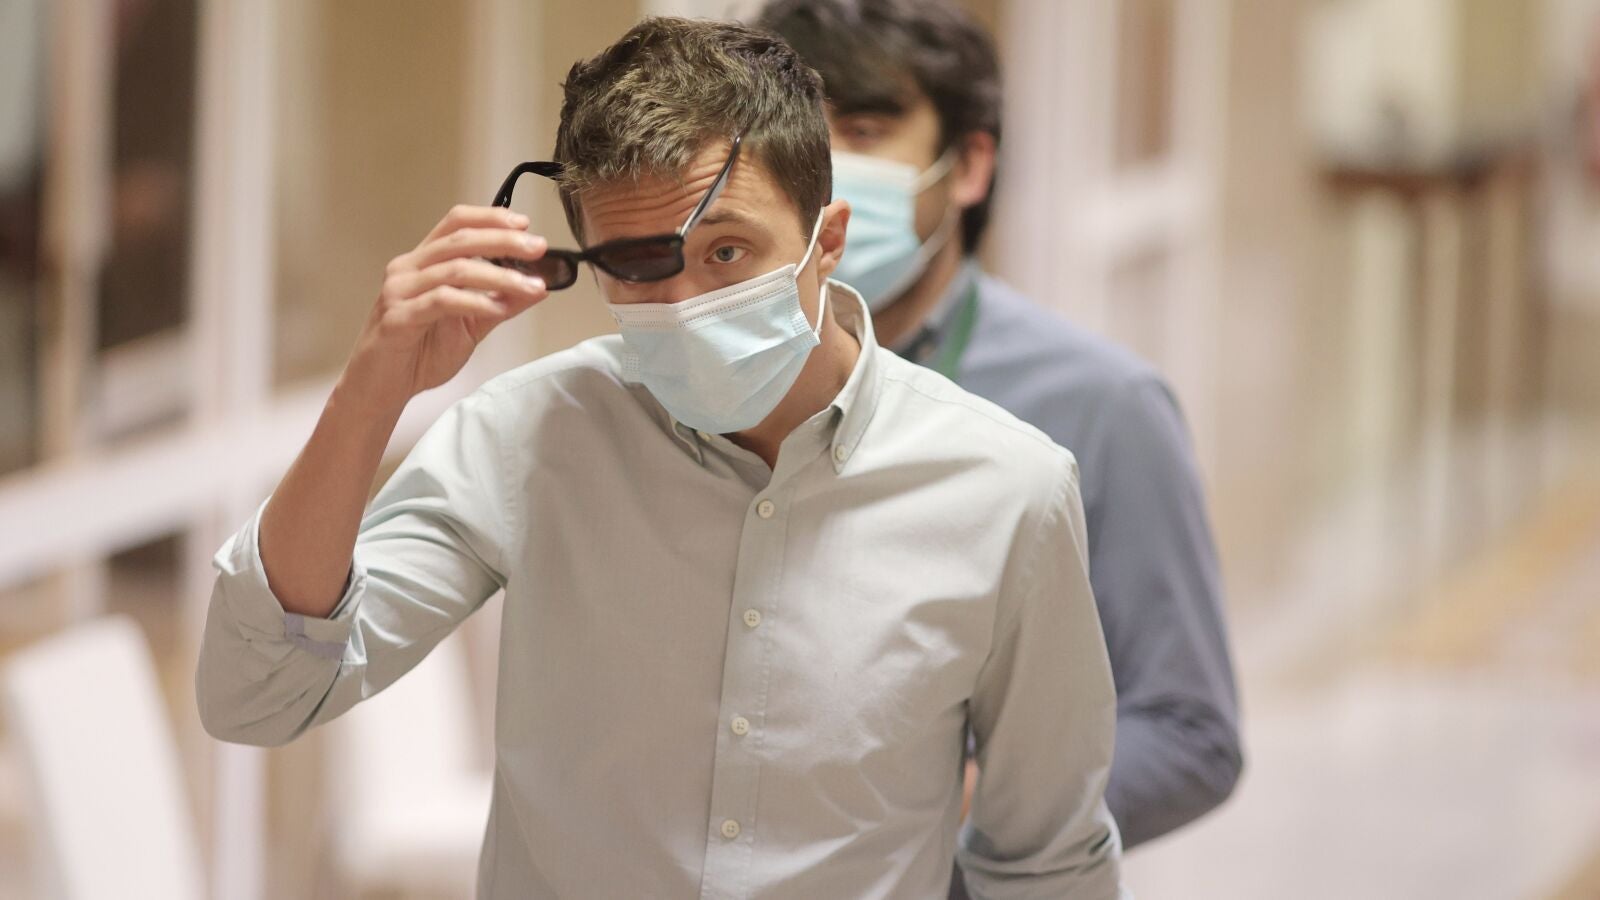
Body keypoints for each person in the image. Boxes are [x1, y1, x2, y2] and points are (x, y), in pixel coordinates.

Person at [195, 16, 1125, 899]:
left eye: (727, 252)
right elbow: (260, 695)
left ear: (828, 241)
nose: (685, 305)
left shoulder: (1008, 492)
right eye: (639, 264)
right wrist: (371, 393)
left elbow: (1046, 862)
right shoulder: (532, 437)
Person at [757, 0, 1244, 858]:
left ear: (970, 165)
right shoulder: (720, 383)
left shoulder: (1102, 405)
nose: (823, 175)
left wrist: (970, 804)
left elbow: (1190, 732)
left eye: (865, 132)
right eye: (795, 137)